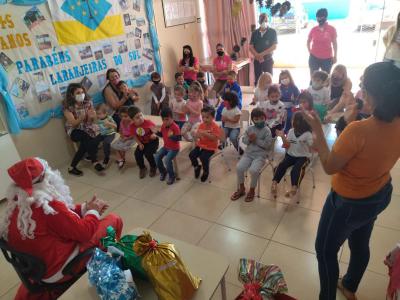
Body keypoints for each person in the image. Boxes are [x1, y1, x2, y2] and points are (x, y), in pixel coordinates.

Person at [303, 62, 400, 300]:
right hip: (379, 193)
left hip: (347, 203)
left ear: (377, 95)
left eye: (363, 85)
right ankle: (349, 286)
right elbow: (374, 149)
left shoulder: (358, 131)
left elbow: (329, 166)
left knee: (325, 251)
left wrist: (317, 128)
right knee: (359, 242)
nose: (359, 87)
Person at [0, 157, 123, 300]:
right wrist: (93, 211)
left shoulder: (17, 204)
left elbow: (62, 217)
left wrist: (85, 208)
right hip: (62, 269)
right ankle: (107, 266)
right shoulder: (50, 207)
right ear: (45, 179)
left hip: (37, 270)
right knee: (114, 220)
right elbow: (84, 233)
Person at [231, 108, 273, 202]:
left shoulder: (267, 130)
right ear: (253, 120)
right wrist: (249, 139)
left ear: (265, 118)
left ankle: (252, 190)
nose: (259, 121)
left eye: (262, 118)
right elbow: (244, 140)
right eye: (256, 119)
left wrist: (256, 140)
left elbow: (268, 145)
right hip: (248, 154)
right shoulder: (250, 128)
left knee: (253, 170)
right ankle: (241, 189)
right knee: (239, 168)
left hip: (260, 155)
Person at [63, 83, 104, 176]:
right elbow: (73, 123)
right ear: (72, 95)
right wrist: (81, 118)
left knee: (86, 143)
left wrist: (92, 117)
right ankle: (95, 161)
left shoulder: (88, 103)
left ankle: (72, 167)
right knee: (86, 138)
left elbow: (90, 121)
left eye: (82, 92)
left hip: (86, 126)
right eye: (78, 93)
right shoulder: (67, 108)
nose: (81, 94)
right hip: (73, 130)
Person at [271, 112, 313, 198]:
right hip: (290, 155)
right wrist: (282, 136)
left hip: (303, 157)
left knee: (296, 169)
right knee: (281, 165)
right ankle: (274, 183)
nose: (292, 121)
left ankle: (294, 188)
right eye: (293, 119)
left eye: (294, 120)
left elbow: (313, 147)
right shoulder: (291, 131)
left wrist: (308, 143)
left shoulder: (308, 134)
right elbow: (287, 145)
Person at [189, 106, 223, 182]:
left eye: (207, 117)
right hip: (201, 145)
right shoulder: (201, 125)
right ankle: (197, 167)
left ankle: (205, 171)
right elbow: (198, 136)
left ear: (213, 117)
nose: (204, 119)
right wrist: (196, 134)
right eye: (203, 117)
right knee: (191, 155)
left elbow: (214, 139)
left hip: (210, 147)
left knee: (203, 157)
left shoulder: (215, 127)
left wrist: (204, 133)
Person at [129, 106, 159, 179]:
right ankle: (142, 168)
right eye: (137, 117)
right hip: (142, 142)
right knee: (137, 154)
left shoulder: (148, 122)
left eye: (141, 115)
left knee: (148, 153)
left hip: (152, 141)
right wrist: (139, 143)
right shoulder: (132, 126)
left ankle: (153, 166)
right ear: (132, 120)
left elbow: (156, 131)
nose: (140, 118)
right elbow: (134, 136)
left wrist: (154, 134)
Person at [155, 107, 181, 185]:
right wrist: (156, 132)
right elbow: (162, 134)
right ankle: (163, 171)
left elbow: (179, 138)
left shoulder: (175, 127)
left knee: (167, 160)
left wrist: (171, 136)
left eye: (167, 119)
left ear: (172, 118)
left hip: (174, 149)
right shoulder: (163, 125)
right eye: (163, 120)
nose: (165, 121)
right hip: (166, 147)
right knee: (157, 156)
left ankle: (172, 176)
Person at [307, 8, 338, 76]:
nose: (319, 19)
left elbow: (335, 43)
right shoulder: (313, 29)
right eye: (318, 17)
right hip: (314, 58)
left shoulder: (331, 29)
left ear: (326, 17)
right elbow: (308, 41)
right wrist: (310, 52)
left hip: (327, 59)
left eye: (321, 17)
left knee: (326, 78)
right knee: (313, 78)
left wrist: (335, 56)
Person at [249, 13, 278, 84]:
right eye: (262, 20)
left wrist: (261, 54)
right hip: (257, 60)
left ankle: (269, 94)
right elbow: (251, 46)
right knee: (258, 80)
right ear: (259, 21)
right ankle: (258, 94)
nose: (264, 22)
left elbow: (274, 46)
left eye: (266, 20)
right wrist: (257, 55)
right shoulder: (255, 33)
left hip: (268, 59)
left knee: (269, 79)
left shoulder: (272, 32)